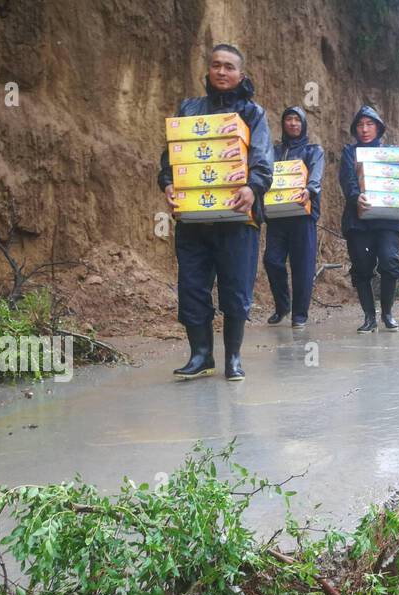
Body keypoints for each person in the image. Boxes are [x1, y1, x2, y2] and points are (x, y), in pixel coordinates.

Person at [157, 44, 273, 381]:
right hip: (194, 218)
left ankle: (233, 357)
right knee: (192, 285)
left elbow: (264, 159)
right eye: (216, 65)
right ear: (207, 70)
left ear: (241, 75)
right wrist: (167, 183)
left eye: (229, 67)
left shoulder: (253, 114)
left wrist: (252, 187)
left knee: (235, 286)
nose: (222, 72)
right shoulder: (189, 109)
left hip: (239, 218)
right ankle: (201, 355)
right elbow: (170, 159)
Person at [338, 105, 399, 333]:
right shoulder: (349, 152)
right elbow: (347, 180)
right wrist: (356, 197)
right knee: (362, 267)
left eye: (369, 124)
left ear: (379, 128)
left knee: (389, 262)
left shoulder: (391, 154)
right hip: (358, 221)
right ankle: (368, 317)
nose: (364, 129)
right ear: (355, 129)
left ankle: (387, 313)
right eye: (360, 125)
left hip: (388, 221)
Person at [263, 106, 324, 329]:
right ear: (283, 124)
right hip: (277, 216)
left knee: (303, 266)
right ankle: (282, 306)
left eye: (297, 120)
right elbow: (263, 171)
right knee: (272, 260)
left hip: (303, 215)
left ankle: (300, 314)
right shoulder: (274, 151)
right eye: (288, 119)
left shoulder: (312, 151)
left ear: (304, 124)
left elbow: (316, 174)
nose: (293, 124)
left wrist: (310, 190)